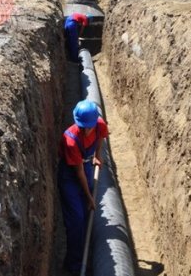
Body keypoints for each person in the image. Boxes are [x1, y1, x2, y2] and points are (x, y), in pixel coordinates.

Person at [58, 100, 108, 275]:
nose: (86, 130)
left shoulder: (99, 124)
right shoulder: (70, 139)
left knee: (86, 216)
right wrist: (89, 197)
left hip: (86, 166)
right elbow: (78, 173)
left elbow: (101, 136)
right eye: (83, 126)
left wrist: (97, 154)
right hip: (70, 175)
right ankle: (74, 265)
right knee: (76, 221)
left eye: (89, 126)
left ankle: (84, 256)